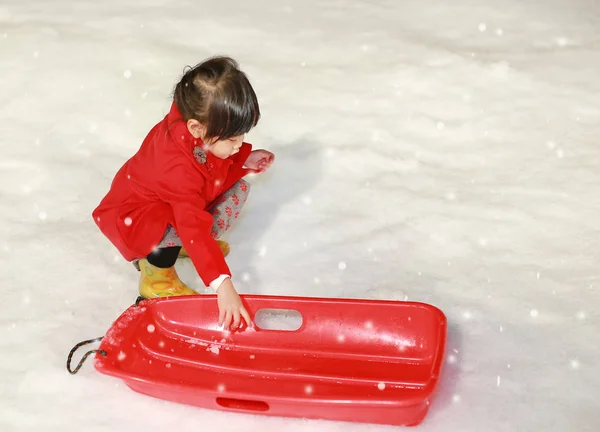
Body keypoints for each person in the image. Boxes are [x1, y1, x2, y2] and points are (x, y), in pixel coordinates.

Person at [92, 56, 274, 331]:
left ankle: (184, 248)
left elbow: (209, 166)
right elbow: (192, 223)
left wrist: (243, 159)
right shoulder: (176, 166)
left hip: (173, 205)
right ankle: (156, 276)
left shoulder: (198, 126)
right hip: (137, 221)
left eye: (242, 137)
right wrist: (222, 285)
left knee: (238, 189)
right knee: (184, 225)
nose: (240, 144)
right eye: (232, 139)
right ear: (196, 128)